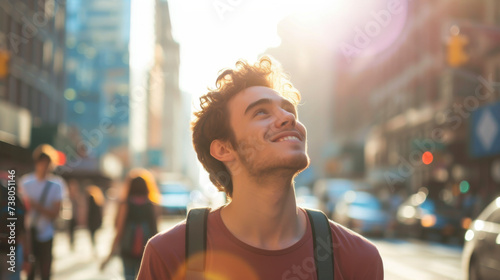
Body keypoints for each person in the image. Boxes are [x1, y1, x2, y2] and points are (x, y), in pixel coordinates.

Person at [137, 56, 384, 279]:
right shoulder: (168, 255)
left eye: (289, 110)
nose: (289, 118)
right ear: (224, 149)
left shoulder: (359, 259)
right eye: (261, 113)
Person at [101, 169, 160, 280]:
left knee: (129, 276)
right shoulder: (152, 205)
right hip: (147, 248)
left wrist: (110, 255)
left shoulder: (125, 204)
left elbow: (119, 230)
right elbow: (156, 230)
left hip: (127, 247)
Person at [19, 144, 64, 280]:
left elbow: (56, 213)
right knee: (29, 273)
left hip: (46, 235)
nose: (44, 166)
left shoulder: (57, 185)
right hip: (27, 235)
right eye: (41, 162)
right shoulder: (25, 182)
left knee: (45, 273)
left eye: (47, 163)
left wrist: (36, 206)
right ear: (36, 163)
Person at [85, 185, 104, 253]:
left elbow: (89, 210)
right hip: (96, 220)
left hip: (92, 220)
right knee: (93, 234)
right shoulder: (98, 199)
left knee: (92, 234)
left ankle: (93, 247)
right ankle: (94, 246)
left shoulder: (91, 198)